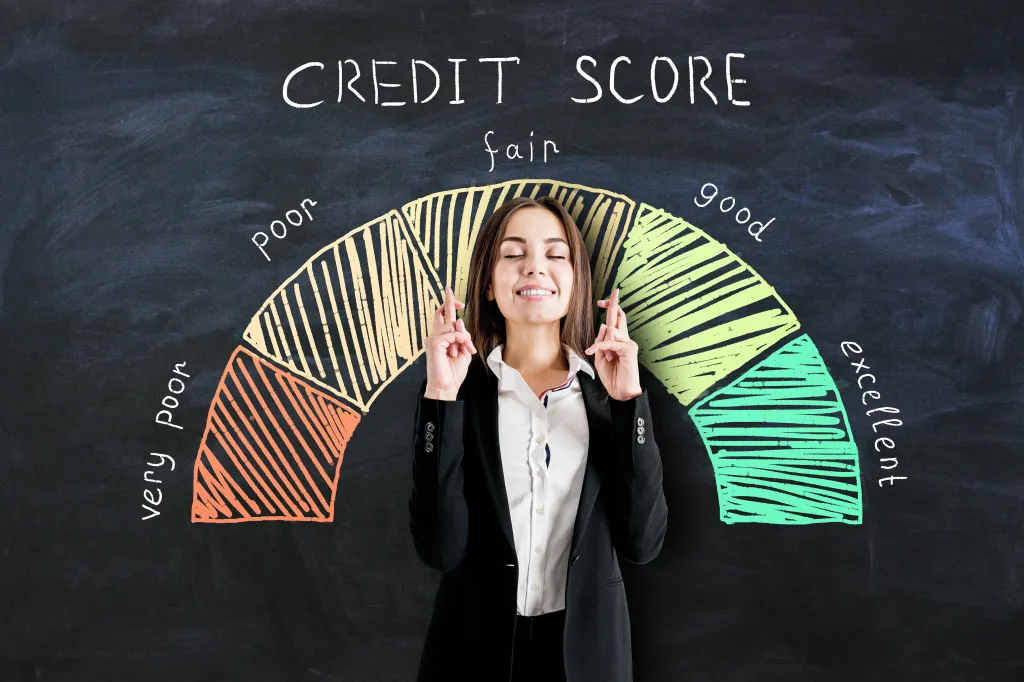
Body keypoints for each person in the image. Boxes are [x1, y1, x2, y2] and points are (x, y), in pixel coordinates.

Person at [408, 195, 668, 682]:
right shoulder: (459, 395)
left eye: (555, 254)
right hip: (470, 654)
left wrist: (629, 399)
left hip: (587, 657)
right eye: (513, 254)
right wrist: (440, 393)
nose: (534, 268)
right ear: (488, 283)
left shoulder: (608, 396)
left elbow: (643, 542)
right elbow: (440, 550)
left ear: (576, 281)